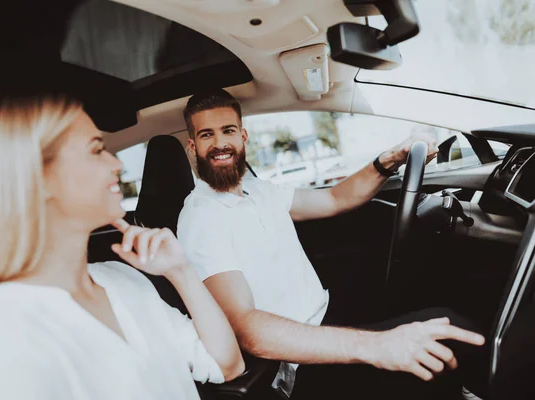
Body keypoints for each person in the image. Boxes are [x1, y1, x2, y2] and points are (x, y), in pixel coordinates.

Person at [177, 89, 486, 399]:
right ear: (193, 146)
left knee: (436, 290)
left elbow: (334, 198)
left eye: (227, 131)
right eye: (207, 135)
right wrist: (376, 346)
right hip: (297, 361)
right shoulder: (201, 218)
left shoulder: (258, 190)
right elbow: (248, 329)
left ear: (243, 136)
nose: (219, 144)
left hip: (327, 310)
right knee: (447, 336)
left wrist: (391, 159)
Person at [0, 91, 245, 400]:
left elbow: (226, 365)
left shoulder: (122, 279)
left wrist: (181, 272)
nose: (116, 165)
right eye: (97, 150)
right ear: (38, 177)